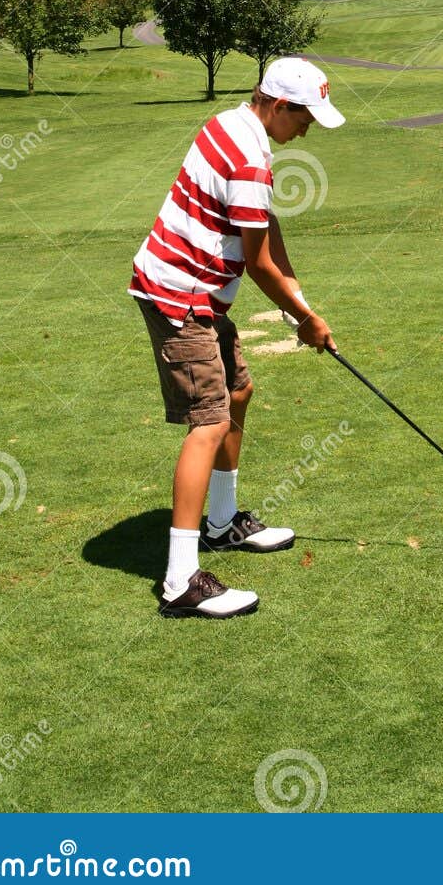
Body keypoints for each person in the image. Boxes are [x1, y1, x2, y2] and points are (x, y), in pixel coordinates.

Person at [128, 56, 345, 619]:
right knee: (211, 420)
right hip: (180, 297)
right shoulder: (249, 158)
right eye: (306, 116)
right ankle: (180, 582)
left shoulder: (236, 125)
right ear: (278, 105)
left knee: (239, 393)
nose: (309, 128)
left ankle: (221, 525)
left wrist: (300, 301)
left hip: (199, 294)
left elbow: (265, 228)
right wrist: (303, 317)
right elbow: (255, 263)